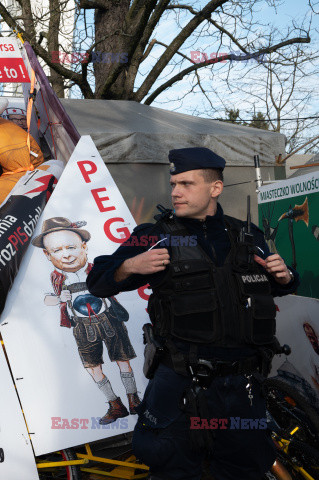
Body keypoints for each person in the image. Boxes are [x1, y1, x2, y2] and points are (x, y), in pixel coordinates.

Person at [86, 147, 299, 480]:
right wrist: (129, 265)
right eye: (173, 184)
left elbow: (271, 287)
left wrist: (285, 278)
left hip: (242, 387)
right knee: (173, 467)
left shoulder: (247, 235)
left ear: (215, 188)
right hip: (181, 386)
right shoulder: (155, 236)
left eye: (186, 183)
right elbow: (98, 281)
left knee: (244, 469)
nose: (175, 192)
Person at [32, 217, 141, 425]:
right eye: (57, 250)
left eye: (71, 247)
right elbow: (46, 299)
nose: (66, 255)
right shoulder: (56, 277)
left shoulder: (97, 268)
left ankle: (134, 399)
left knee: (123, 359)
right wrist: (58, 299)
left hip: (109, 320)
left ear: (84, 247)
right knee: (93, 367)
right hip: (82, 327)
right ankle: (115, 405)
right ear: (47, 255)